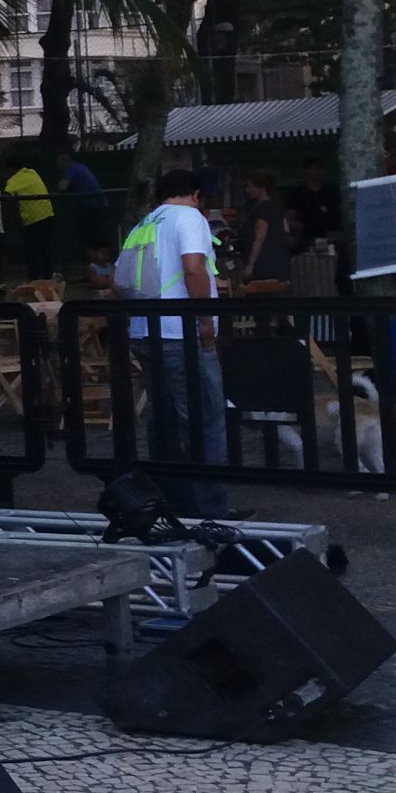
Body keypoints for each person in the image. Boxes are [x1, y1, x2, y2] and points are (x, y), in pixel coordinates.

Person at [112, 170, 232, 517]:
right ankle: (211, 508)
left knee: (163, 420)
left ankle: (169, 498)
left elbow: (118, 281)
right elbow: (194, 268)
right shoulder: (190, 217)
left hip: (145, 332)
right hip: (182, 334)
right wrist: (205, 321)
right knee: (204, 418)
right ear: (195, 194)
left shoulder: (144, 224)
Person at [238, 168, 290, 292]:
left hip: (263, 264)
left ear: (261, 188)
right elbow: (286, 230)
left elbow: (259, 238)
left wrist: (250, 265)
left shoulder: (263, 210)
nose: (247, 190)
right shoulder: (275, 207)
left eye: (250, 187)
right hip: (277, 261)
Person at [4, 158, 57, 276]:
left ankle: (35, 276)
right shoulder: (32, 172)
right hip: (48, 214)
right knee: (45, 249)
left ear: (11, 169)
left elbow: (7, 193)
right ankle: (47, 274)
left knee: (31, 250)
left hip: (33, 219)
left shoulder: (14, 180)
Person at [285, 156, 339, 251]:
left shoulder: (332, 191)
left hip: (332, 238)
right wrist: (301, 230)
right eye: (316, 168)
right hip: (307, 240)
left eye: (322, 169)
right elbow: (289, 218)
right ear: (306, 170)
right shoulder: (296, 193)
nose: (320, 172)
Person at [57, 149, 106, 249]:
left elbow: (62, 187)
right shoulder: (81, 167)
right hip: (97, 205)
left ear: (63, 162)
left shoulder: (71, 169)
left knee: (88, 238)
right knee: (95, 237)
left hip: (89, 207)